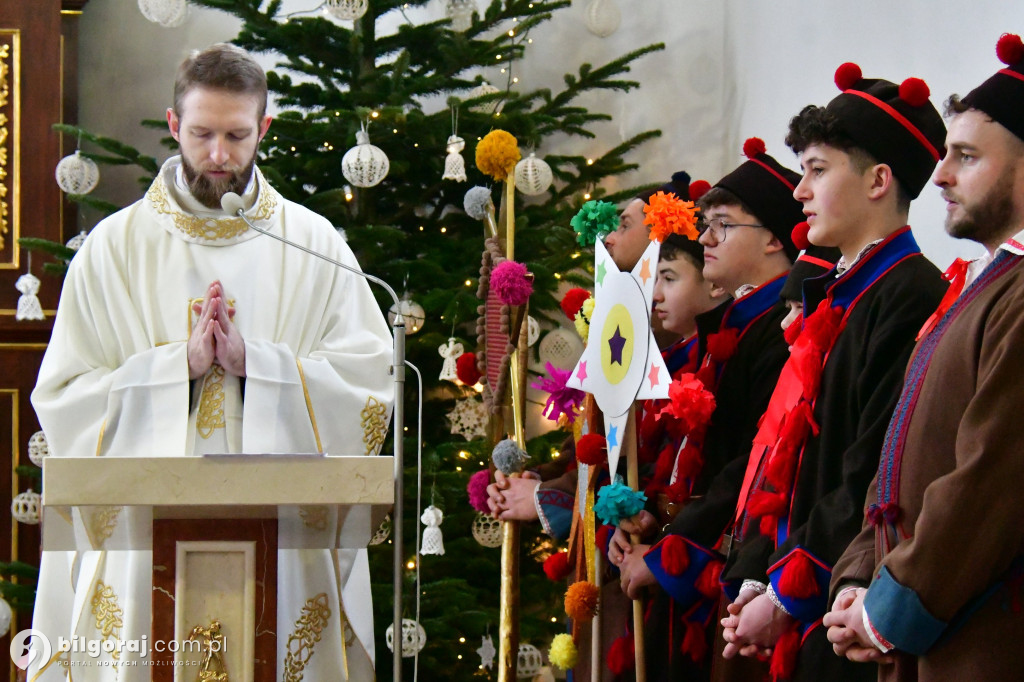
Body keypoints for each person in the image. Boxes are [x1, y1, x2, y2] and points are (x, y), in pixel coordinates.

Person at [29, 44, 393, 680]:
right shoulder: (113, 249)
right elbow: (62, 399)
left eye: (236, 135)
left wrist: (260, 364)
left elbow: (368, 388)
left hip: (283, 533)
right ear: (174, 125)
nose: (219, 156)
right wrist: (178, 368)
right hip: (145, 535)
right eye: (201, 134)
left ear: (264, 130)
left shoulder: (313, 244)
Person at [717, 64, 948, 682]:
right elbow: (786, 462)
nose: (800, 190)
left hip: (843, 596)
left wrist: (788, 591)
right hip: (800, 587)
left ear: (878, 180)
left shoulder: (909, 292)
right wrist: (757, 575)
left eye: (818, 170)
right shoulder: (840, 294)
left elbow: (872, 465)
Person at [823, 33, 1024, 682]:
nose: (939, 174)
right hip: (924, 635)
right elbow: (894, 464)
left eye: (966, 156)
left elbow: (989, 482)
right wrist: (858, 580)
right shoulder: (981, 288)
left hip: (979, 645)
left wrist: (887, 609)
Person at [609, 139, 801, 681]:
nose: (708, 238)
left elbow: (752, 463)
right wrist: (650, 515)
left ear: (770, 239)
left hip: (744, 568)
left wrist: (677, 543)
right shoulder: (738, 329)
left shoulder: (778, 332)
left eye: (722, 225)